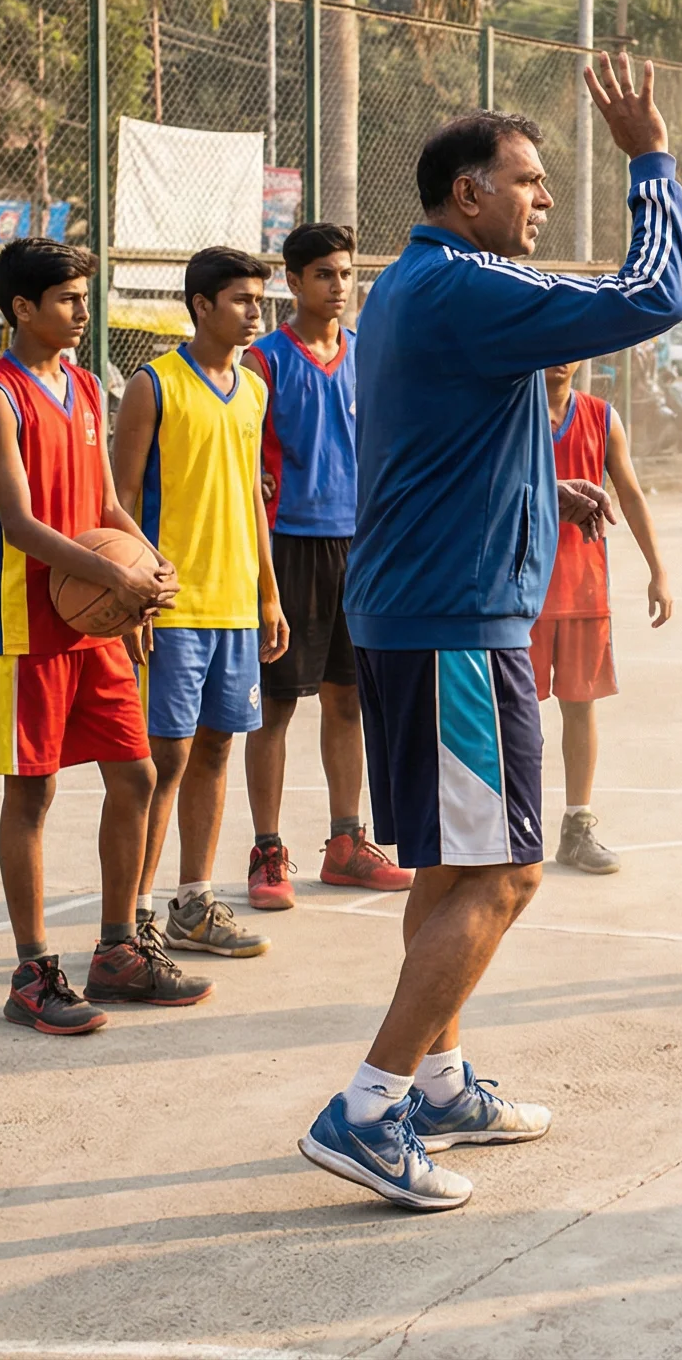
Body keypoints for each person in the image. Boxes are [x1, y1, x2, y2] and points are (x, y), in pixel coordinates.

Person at [298, 55, 682, 1212]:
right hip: (456, 627)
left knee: (454, 864)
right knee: (510, 872)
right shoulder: (464, 286)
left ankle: (439, 1083)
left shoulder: (419, 285)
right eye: (526, 180)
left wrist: (543, 491)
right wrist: (649, 160)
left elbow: (454, 436)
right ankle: (368, 1108)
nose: (543, 198)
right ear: (467, 194)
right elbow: (651, 298)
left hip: (425, 611)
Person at [0, 238, 201, 1032]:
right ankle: (32, 974)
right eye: (67, 299)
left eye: (82, 298)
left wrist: (149, 565)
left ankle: (118, 951)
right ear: (22, 307)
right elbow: (21, 524)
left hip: (94, 621)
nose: (81, 312)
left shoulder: (90, 388)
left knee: (135, 775)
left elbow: (104, 508)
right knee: (32, 792)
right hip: (27, 628)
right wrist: (112, 578)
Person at [112, 246, 288, 967]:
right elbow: (120, 499)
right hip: (173, 605)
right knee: (165, 760)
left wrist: (268, 593)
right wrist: (131, 595)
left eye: (259, 302)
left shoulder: (253, 391)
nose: (254, 314)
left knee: (216, 748)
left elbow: (251, 497)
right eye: (242, 300)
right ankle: (135, 914)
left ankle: (193, 902)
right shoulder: (153, 385)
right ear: (201, 305)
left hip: (235, 604)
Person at [240, 222, 412, 911]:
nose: (339, 286)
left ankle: (347, 843)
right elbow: (243, 459)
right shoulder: (264, 362)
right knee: (276, 705)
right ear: (293, 281)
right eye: (324, 275)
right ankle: (267, 850)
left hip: (360, 545)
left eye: (345, 273)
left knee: (348, 699)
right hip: (288, 545)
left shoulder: (370, 355)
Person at [533, 355, 675, 873]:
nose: (559, 357)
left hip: (582, 590)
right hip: (519, 592)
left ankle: (577, 826)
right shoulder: (508, 412)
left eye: (569, 346)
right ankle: (505, 827)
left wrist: (658, 570)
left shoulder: (601, 417)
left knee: (580, 706)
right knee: (512, 715)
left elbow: (630, 495)